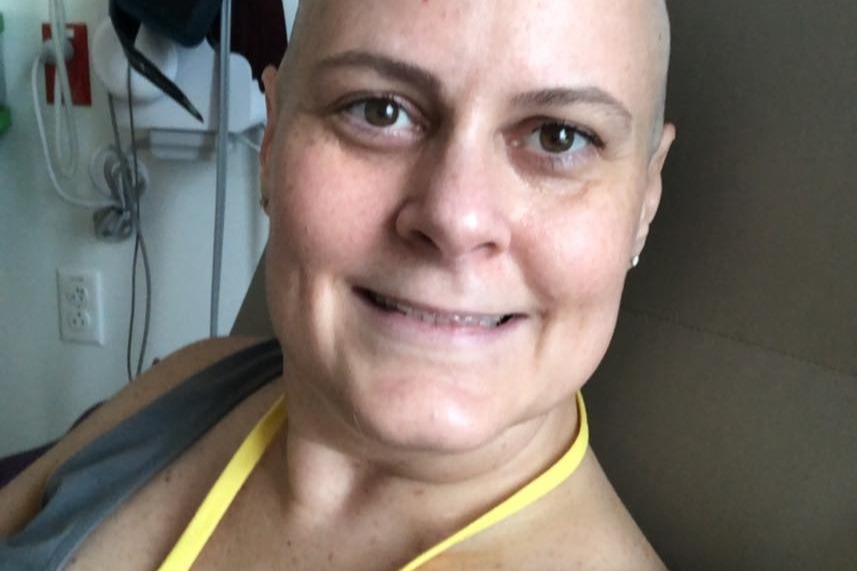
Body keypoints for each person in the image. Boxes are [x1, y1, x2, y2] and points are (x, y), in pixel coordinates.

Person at [0, 0, 675, 568]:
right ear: (271, 145)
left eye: (559, 138)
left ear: (644, 201)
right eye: (378, 110)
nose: (454, 216)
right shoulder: (191, 382)